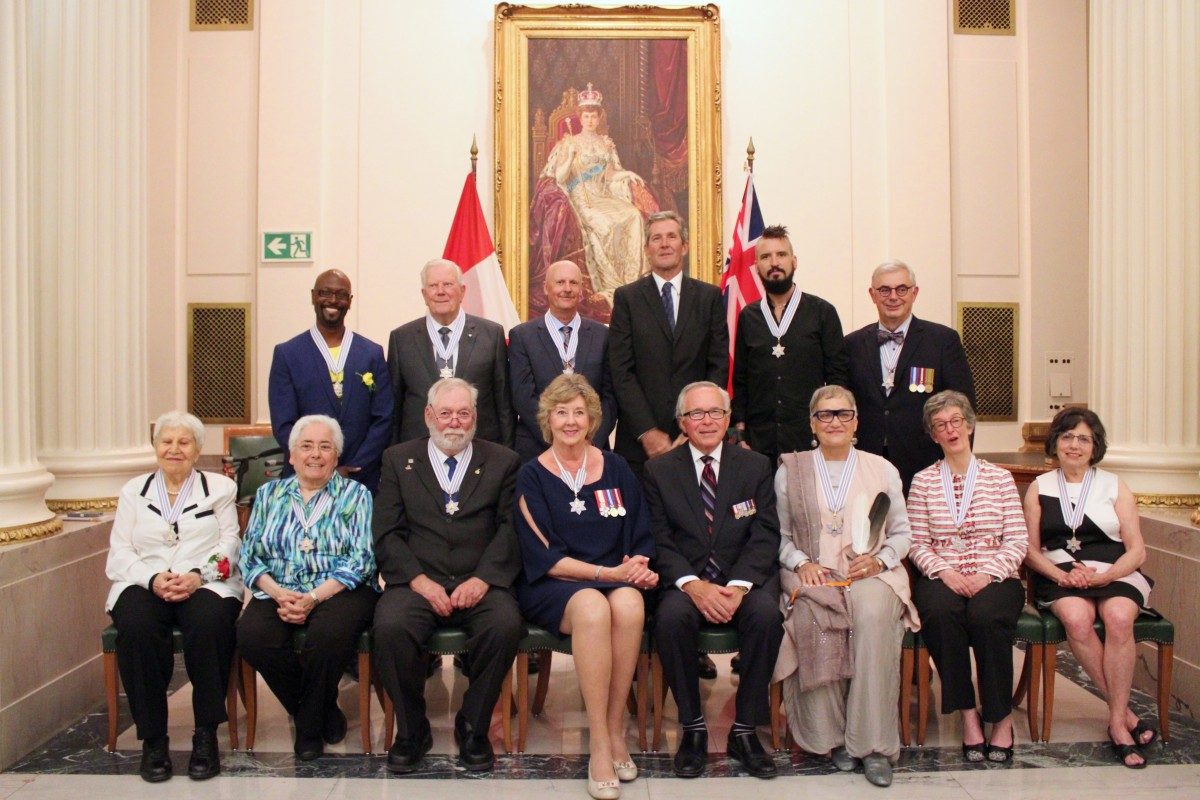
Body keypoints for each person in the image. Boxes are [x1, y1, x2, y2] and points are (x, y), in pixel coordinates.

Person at [515, 373, 656, 799]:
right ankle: (597, 742)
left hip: (614, 578)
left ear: (592, 420)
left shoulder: (616, 466)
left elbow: (640, 531)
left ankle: (615, 729)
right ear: (548, 420)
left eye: (579, 412)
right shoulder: (531, 476)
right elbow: (546, 559)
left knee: (630, 604)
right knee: (594, 606)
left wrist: (638, 566)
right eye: (562, 412)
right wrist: (607, 575)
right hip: (554, 584)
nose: (571, 421)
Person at [372, 378, 524, 774]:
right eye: (445, 413)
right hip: (417, 582)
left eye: (463, 413)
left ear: (476, 417)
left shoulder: (503, 460)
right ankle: (411, 729)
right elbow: (386, 532)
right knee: (389, 626)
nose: (454, 422)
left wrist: (484, 579)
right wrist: (419, 581)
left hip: (480, 580)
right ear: (428, 416)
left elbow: (511, 529)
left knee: (506, 624)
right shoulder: (396, 459)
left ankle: (473, 724)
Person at [773, 386, 917, 787]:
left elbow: (903, 534)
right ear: (812, 424)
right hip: (814, 574)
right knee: (814, 619)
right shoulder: (791, 470)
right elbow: (779, 537)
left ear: (856, 421)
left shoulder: (882, 468)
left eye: (843, 414)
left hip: (872, 574)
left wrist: (880, 559)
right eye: (824, 415)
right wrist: (802, 563)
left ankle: (873, 746)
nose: (834, 421)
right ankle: (831, 737)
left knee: (871, 619)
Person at [643, 381, 783, 780]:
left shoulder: (755, 466)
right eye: (695, 414)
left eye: (715, 413)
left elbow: (765, 533)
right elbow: (658, 539)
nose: (706, 421)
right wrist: (693, 585)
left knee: (767, 617)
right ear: (681, 423)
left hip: (742, 581)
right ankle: (693, 728)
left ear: (727, 419)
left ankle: (744, 730)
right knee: (670, 620)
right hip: (685, 584)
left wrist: (738, 587)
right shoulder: (658, 471)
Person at [105, 411, 243, 782]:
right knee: (135, 627)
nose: (174, 449)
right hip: (144, 581)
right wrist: (151, 580)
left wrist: (199, 576)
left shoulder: (219, 488)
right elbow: (119, 552)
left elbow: (230, 542)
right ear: (155, 448)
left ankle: (205, 735)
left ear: (198, 450)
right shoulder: (133, 491)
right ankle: (153, 739)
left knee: (210, 622)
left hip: (204, 581)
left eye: (184, 442)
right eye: (166, 441)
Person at [237, 415, 379, 761]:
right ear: (291, 455)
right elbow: (250, 555)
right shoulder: (269, 494)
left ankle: (308, 729)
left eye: (325, 447)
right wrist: (278, 593)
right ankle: (320, 713)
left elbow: (361, 559)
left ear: (336, 456)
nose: (315, 454)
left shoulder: (356, 494)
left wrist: (314, 597)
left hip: (339, 589)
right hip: (278, 587)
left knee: (328, 635)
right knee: (252, 635)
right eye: (306, 446)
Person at [1022, 408, 1156, 768]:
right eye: (1067, 437)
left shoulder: (1114, 485)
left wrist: (1106, 577)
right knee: (1078, 620)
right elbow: (1030, 550)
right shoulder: (1040, 487)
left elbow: (1137, 550)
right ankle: (1125, 716)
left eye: (1083, 438)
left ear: (1095, 446)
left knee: (1117, 617)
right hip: (1059, 573)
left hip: (1115, 571)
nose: (1074, 445)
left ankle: (1115, 721)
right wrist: (1060, 575)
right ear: (1055, 443)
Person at [907, 391, 1028, 764]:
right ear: (933, 435)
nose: (950, 429)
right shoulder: (923, 481)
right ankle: (968, 715)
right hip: (942, 576)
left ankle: (1001, 718)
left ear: (970, 425)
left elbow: (1019, 539)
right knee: (942, 615)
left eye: (956, 421)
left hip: (996, 576)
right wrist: (944, 571)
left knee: (986, 616)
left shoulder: (1001, 477)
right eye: (941, 425)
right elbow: (915, 542)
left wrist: (987, 573)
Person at [609, 211, 728, 478]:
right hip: (640, 446)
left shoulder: (709, 297)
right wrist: (647, 431)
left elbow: (717, 365)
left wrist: (694, 426)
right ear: (647, 249)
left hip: (699, 440)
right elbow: (620, 370)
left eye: (671, 237)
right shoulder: (627, 298)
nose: (664, 244)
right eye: (656, 238)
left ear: (683, 246)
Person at [843, 260, 976, 494]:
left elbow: (963, 407)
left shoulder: (943, 341)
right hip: (865, 463)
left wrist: (961, 464)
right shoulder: (852, 344)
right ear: (872, 295)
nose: (893, 296)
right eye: (884, 290)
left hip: (926, 464)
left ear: (914, 293)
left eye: (901, 289)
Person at [732, 224, 849, 464]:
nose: (774, 263)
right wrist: (740, 432)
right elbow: (741, 380)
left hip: (809, 441)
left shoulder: (822, 312)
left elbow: (838, 379)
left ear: (794, 261)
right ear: (757, 267)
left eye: (781, 255)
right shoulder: (748, 317)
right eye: (766, 257)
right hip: (758, 444)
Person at [268, 268, 393, 492]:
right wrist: (317, 464)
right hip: (306, 479)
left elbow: (383, 418)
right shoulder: (288, 354)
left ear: (350, 301)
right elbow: (283, 423)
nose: (333, 300)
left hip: (361, 480)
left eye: (341, 294)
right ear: (313, 296)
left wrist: (356, 466)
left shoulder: (371, 353)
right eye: (325, 293)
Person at [540, 83, 652, 304]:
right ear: (580, 118)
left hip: (603, 196)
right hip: (581, 198)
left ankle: (631, 280)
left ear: (599, 118)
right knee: (605, 225)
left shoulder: (606, 143)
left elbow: (610, 174)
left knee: (633, 216)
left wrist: (627, 174)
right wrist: (571, 157)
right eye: (586, 116)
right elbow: (560, 178)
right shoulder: (568, 142)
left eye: (594, 116)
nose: (590, 120)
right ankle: (611, 283)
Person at [386, 258, 515, 447]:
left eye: (447, 284)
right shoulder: (402, 339)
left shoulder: (491, 335)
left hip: (480, 450)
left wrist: (507, 455)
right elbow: (394, 407)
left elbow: (504, 404)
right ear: (424, 294)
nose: (440, 291)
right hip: (418, 452)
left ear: (462, 291)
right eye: (433, 285)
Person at [508, 260, 617, 463]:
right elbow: (523, 397)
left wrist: (588, 439)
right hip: (537, 451)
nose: (567, 289)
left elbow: (610, 396)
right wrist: (558, 439)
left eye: (573, 283)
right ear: (546, 288)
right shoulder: (522, 336)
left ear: (581, 290)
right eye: (560, 282)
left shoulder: (603, 335)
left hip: (591, 450)